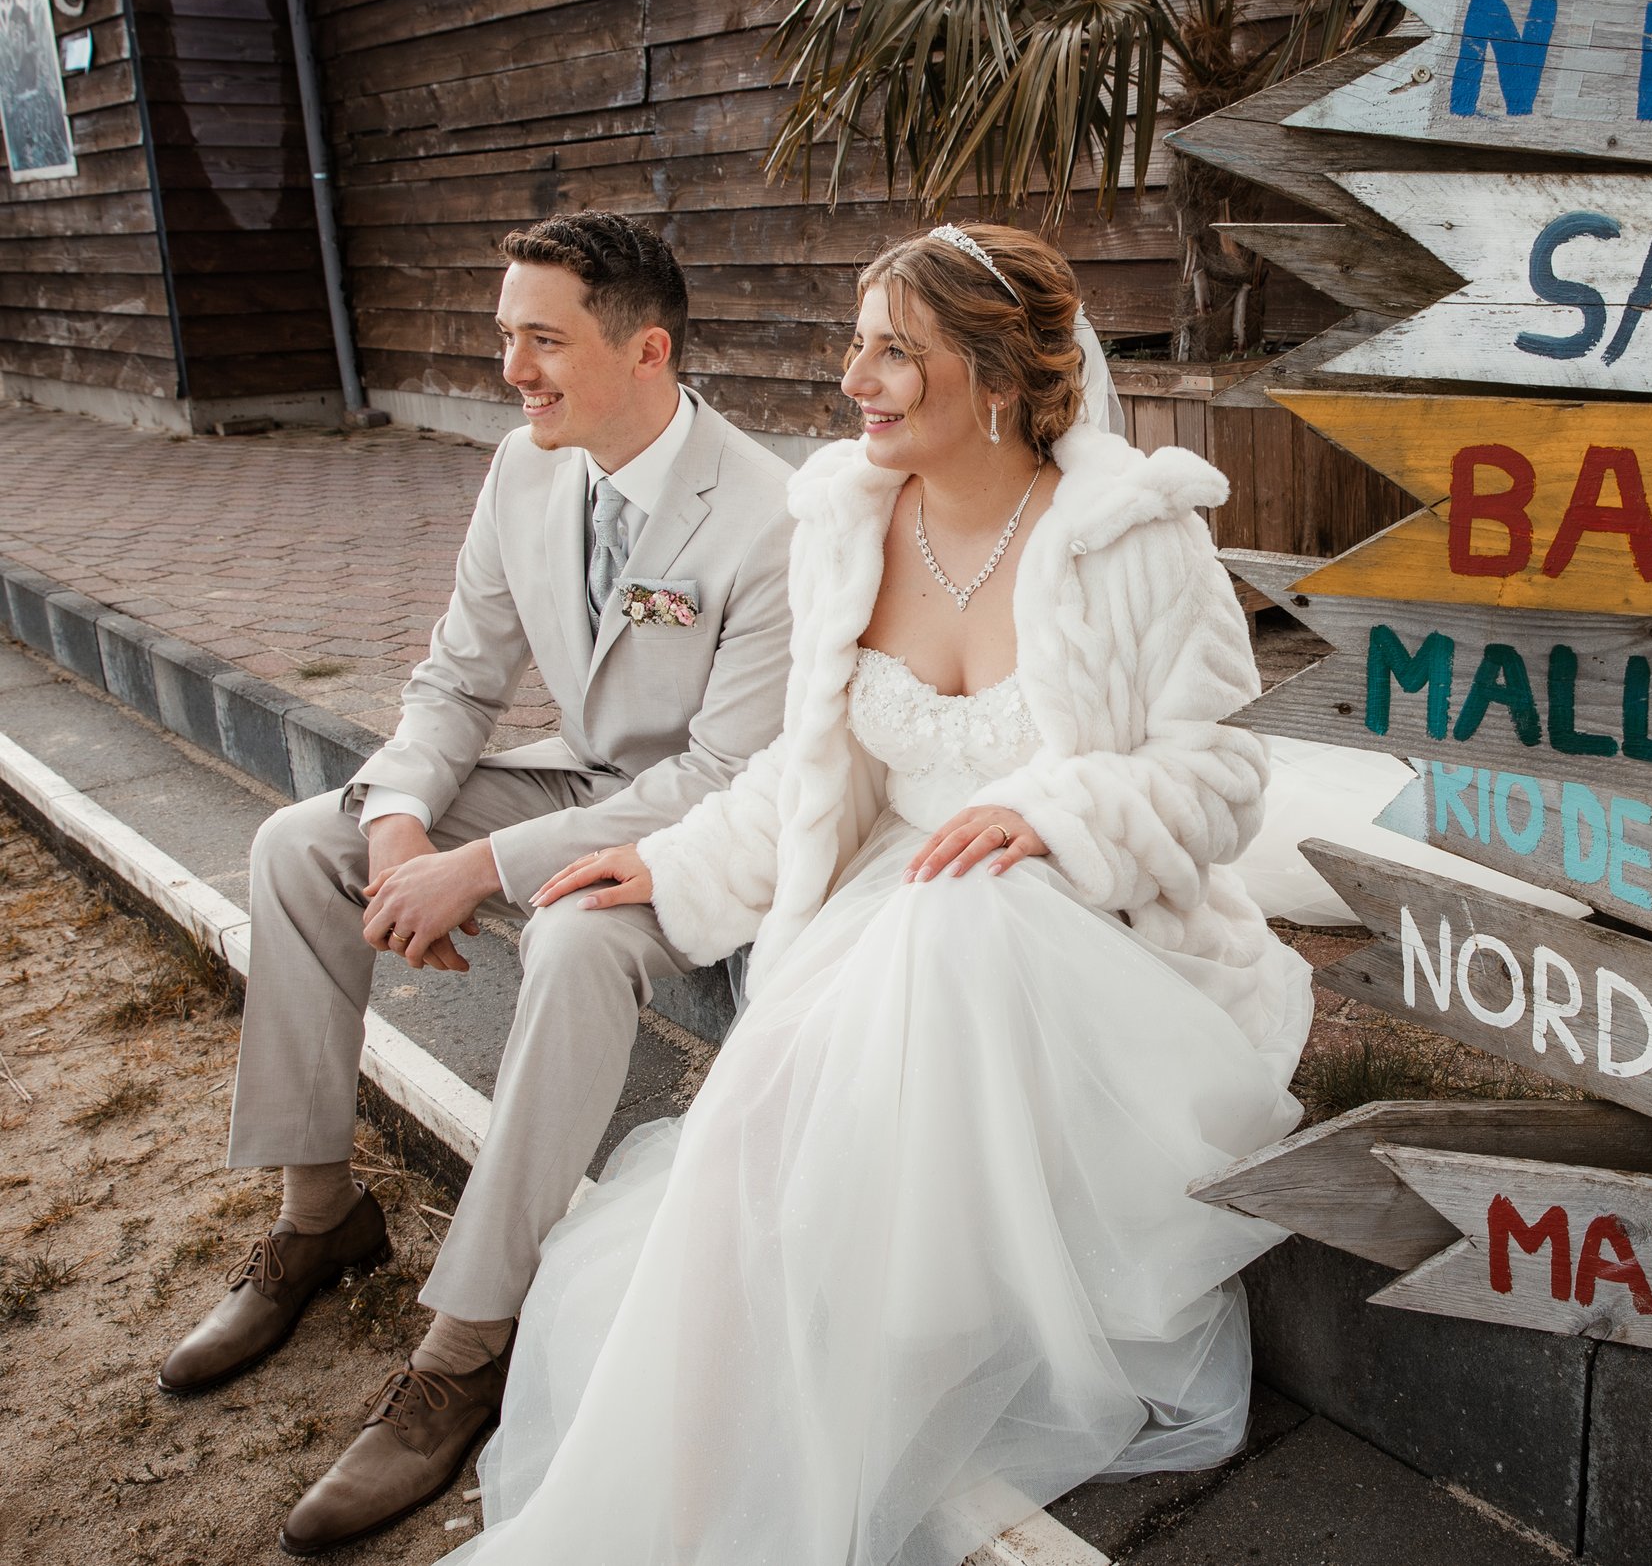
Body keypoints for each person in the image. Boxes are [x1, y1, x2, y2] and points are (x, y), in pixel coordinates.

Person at [438, 223, 1314, 1564]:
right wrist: (671, 865)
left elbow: (1219, 772)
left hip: (1085, 930)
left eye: (897, 351)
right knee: (746, 1136)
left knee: (956, 920)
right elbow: (810, 764)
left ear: (999, 377)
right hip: (889, 909)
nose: (858, 377)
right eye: (858, 344)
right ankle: (679, 1511)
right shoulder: (845, 525)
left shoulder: (1137, 541)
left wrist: (1052, 811)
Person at [156, 211, 798, 1556]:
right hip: (572, 781)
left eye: (541, 339)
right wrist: (399, 826)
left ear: (647, 351)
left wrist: (482, 870)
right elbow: (455, 679)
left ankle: (467, 1342)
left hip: (696, 833)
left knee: (567, 946)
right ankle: (318, 1219)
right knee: (295, 845)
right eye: (506, 334)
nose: (512, 366)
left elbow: (723, 774)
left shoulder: (767, 515)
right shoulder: (524, 468)